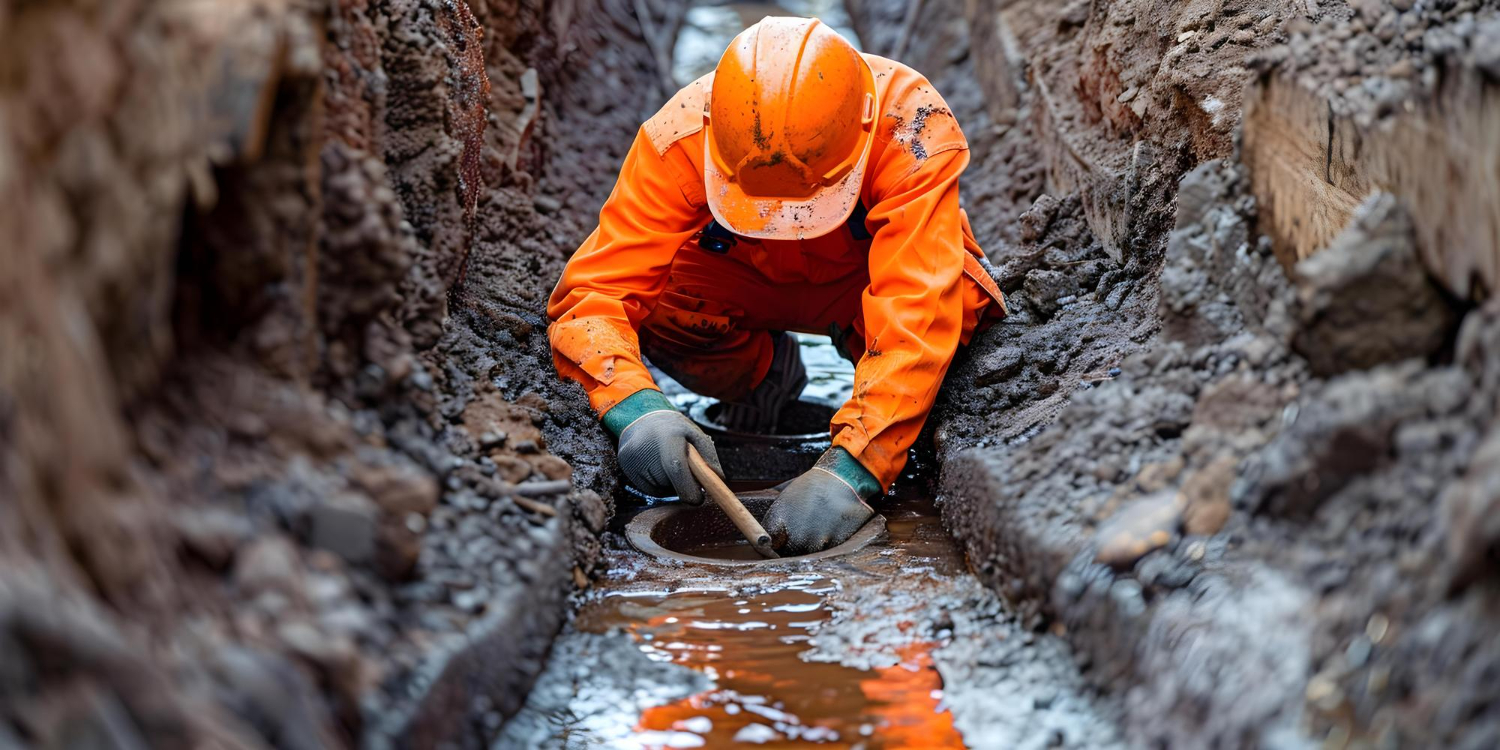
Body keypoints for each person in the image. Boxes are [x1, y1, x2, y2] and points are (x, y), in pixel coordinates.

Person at [547, 17, 1006, 553]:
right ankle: (759, 375)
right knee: (657, 307)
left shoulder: (911, 127)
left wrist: (856, 468)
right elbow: (594, 297)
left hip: (860, 283)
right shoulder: (679, 140)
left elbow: (920, 305)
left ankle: (885, 397)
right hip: (736, 278)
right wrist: (633, 407)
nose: (786, 223)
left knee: (962, 302)